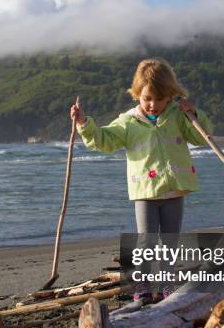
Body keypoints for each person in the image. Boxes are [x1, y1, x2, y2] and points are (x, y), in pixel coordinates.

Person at [70, 57, 212, 301]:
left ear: (170, 96)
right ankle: (143, 287)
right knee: (146, 241)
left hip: (174, 190)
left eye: (159, 99)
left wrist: (194, 113)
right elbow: (104, 140)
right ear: (137, 95)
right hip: (145, 191)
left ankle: (167, 286)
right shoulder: (129, 121)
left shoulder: (179, 116)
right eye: (147, 98)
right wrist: (84, 123)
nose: (153, 104)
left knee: (169, 242)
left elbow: (201, 137)